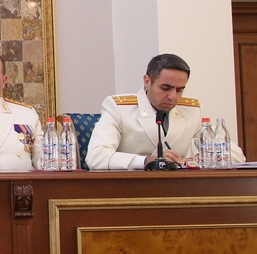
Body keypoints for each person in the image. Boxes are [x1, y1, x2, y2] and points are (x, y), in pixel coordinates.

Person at [86, 53, 245, 170]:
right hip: (130, 189)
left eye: (179, 90)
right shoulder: (118, 108)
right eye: (165, 88)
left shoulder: (191, 110)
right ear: (147, 81)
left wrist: (197, 159)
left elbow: (236, 155)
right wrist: (147, 161)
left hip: (178, 189)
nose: (173, 96)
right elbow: (96, 157)